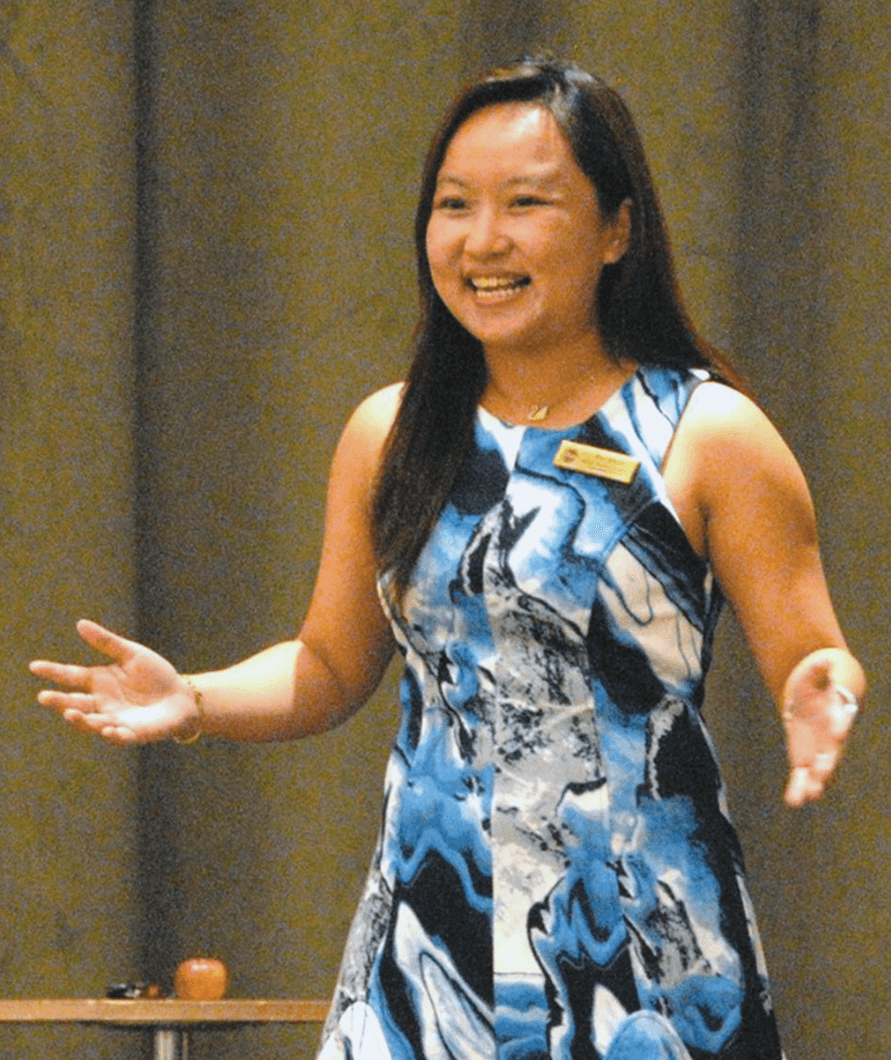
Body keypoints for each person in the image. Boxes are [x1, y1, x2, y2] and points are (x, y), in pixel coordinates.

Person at [31, 58, 864, 1060]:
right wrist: (194, 700)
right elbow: (329, 665)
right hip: (427, 938)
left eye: (528, 203)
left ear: (616, 230)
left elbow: (811, 654)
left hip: (644, 956)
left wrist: (824, 681)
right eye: (455, 205)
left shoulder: (710, 433)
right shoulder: (390, 433)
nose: (484, 240)